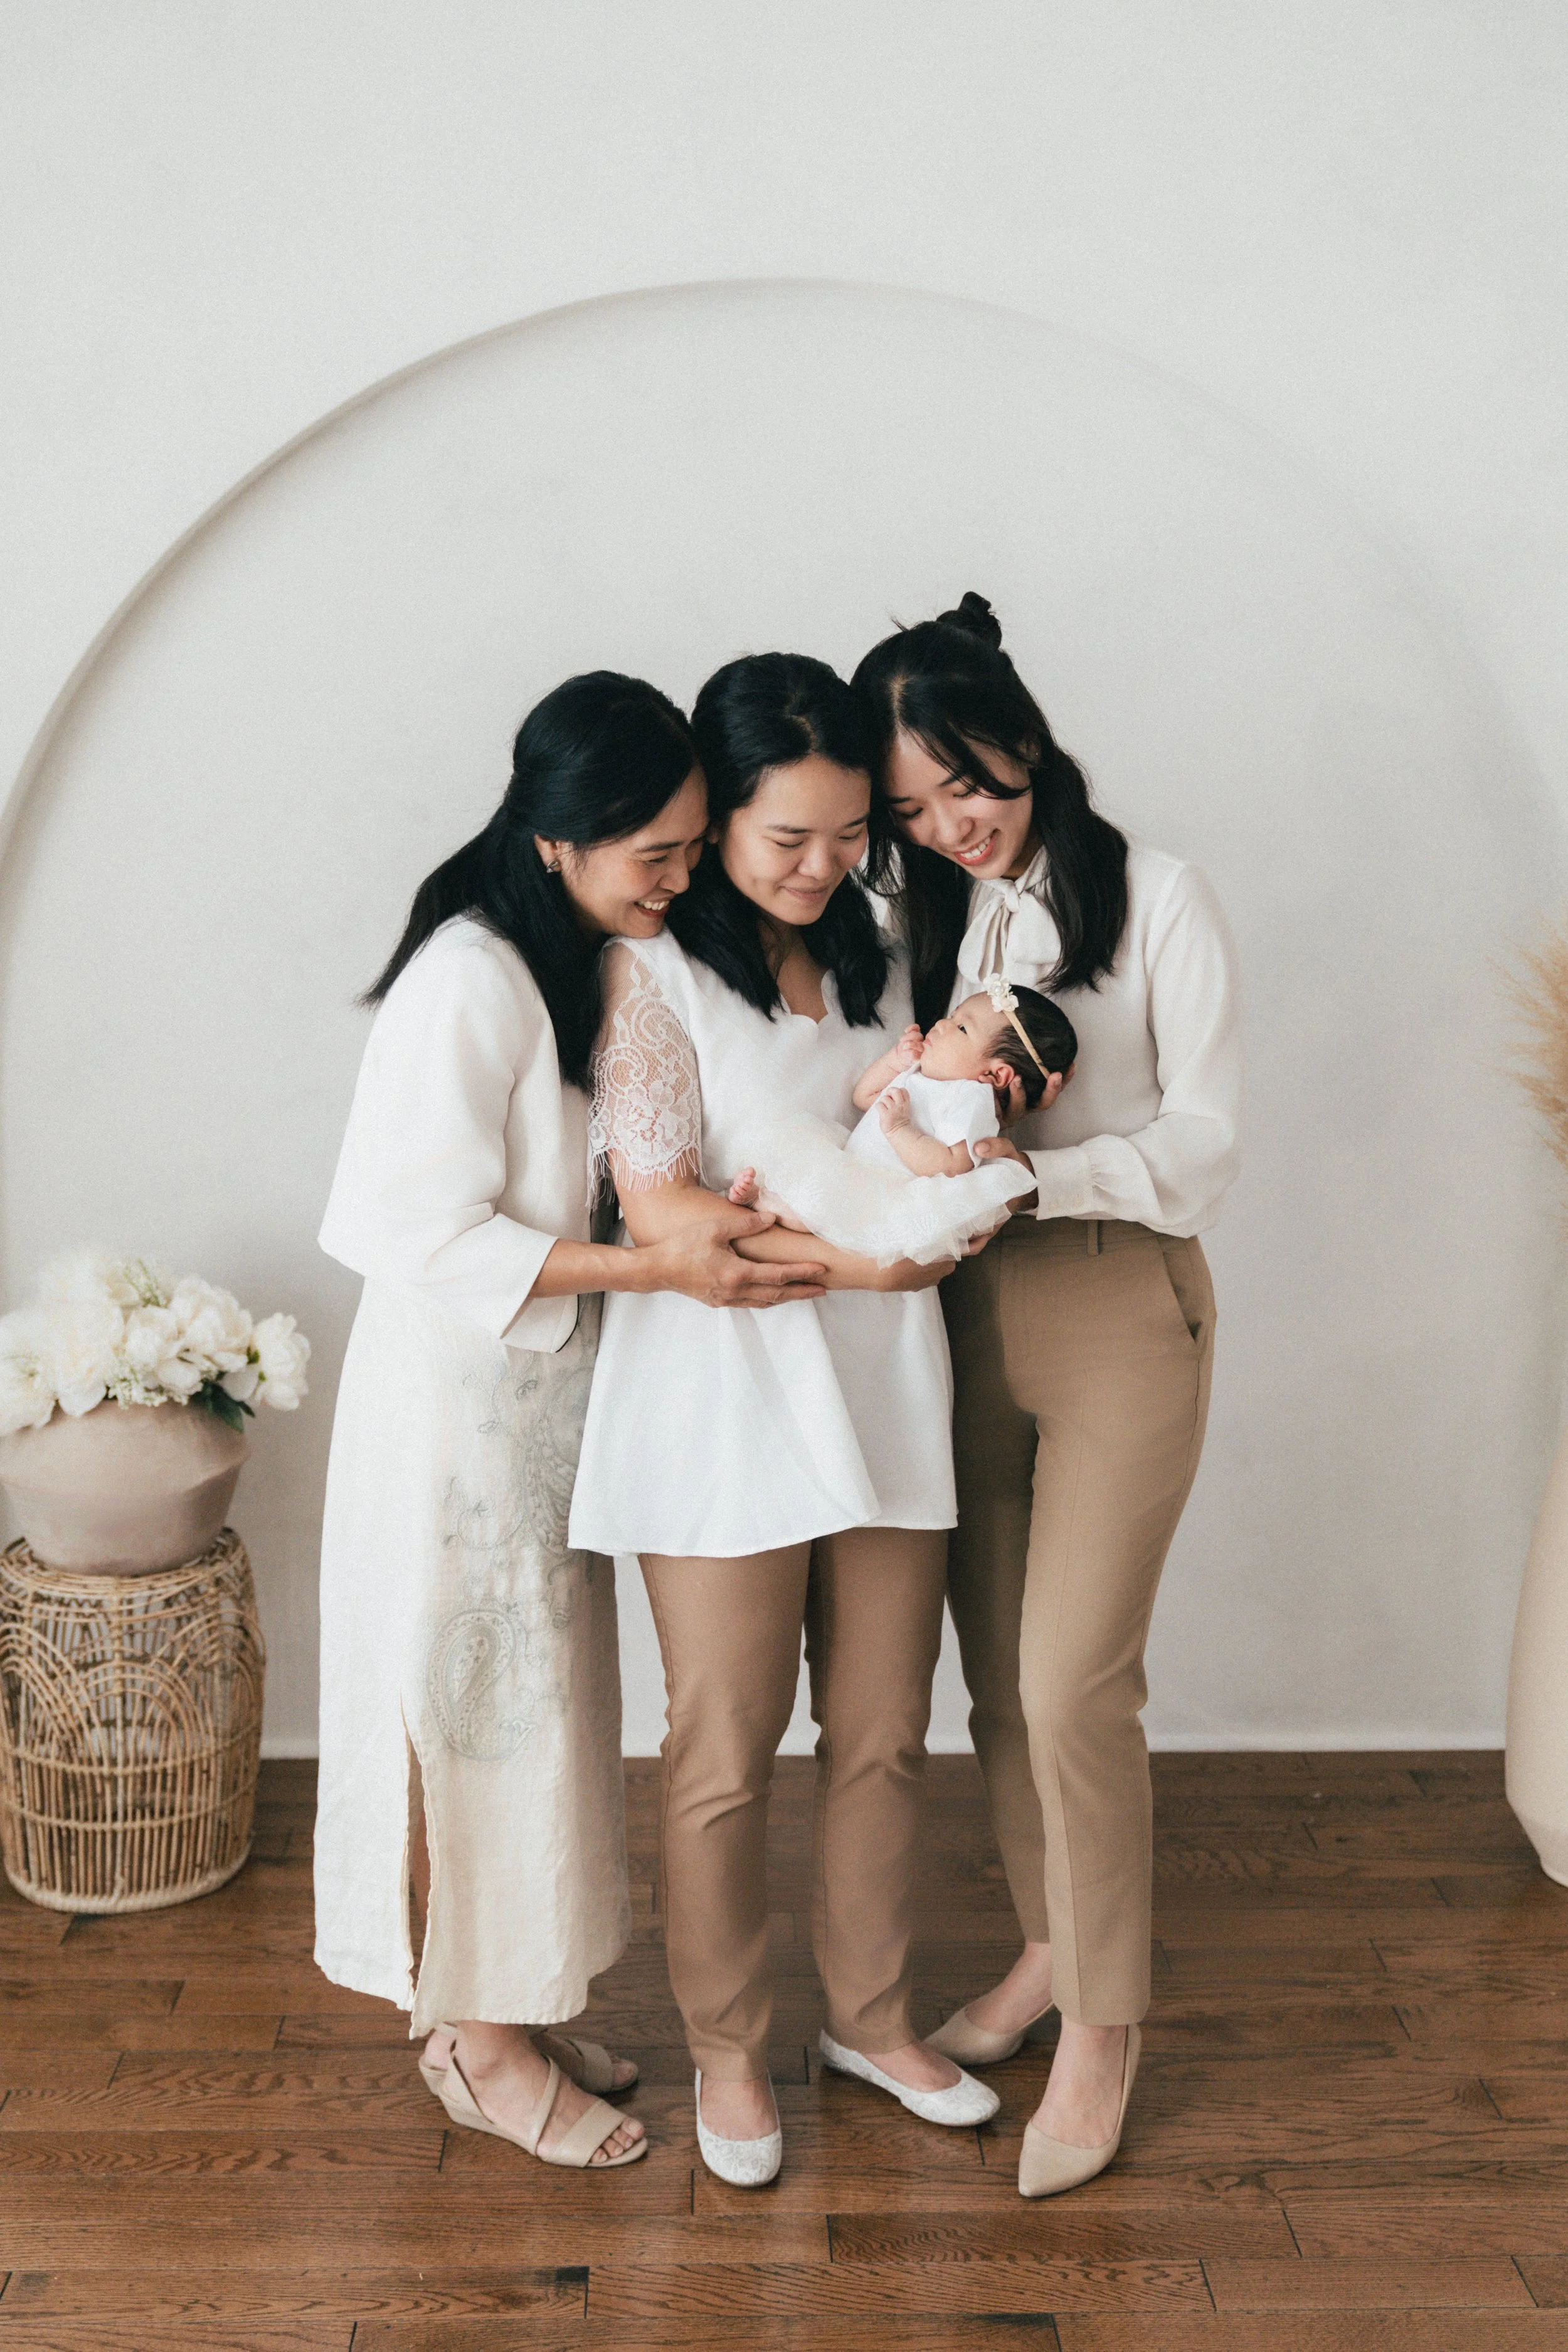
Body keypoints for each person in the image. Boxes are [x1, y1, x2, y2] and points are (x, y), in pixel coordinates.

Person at [314, 671, 827, 2176]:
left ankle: (503, 2009)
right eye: (655, 855)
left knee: (537, 1724)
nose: (684, 877)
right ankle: (468, 2042)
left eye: (686, 846)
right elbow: (415, 1228)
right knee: (469, 1715)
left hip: (533, 1410)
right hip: (451, 1428)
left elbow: (593, 1169)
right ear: (557, 838)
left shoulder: (576, 955)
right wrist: (652, 1262)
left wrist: (679, 1220)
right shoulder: (467, 979)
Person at [568, 652, 1000, 2188]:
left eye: (844, 838)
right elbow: (657, 1195)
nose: (824, 869)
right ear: (715, 817)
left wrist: (923, 1211)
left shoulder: (886, 953)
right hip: (722, 1395)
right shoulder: (659, 975)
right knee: (722, 1747)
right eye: (785, 842)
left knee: (884, 1733)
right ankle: (730, 2052)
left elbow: (932, 1124)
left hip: (884, 1386)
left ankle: (868, 2019)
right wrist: (869, 1252)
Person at [854, 593, 1242, 2197]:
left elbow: (1208, 1145)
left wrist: (1038, 1174)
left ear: (1022, 734)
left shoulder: (1156, 897)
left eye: (970, 782)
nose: (953, 823)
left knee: (1078, 1679)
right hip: (958, 1318)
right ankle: (1047, 1947)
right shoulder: (928, 920)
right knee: (1000, 1677)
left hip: (1118, 1307)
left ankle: (1106, 2027)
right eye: (916, 809)